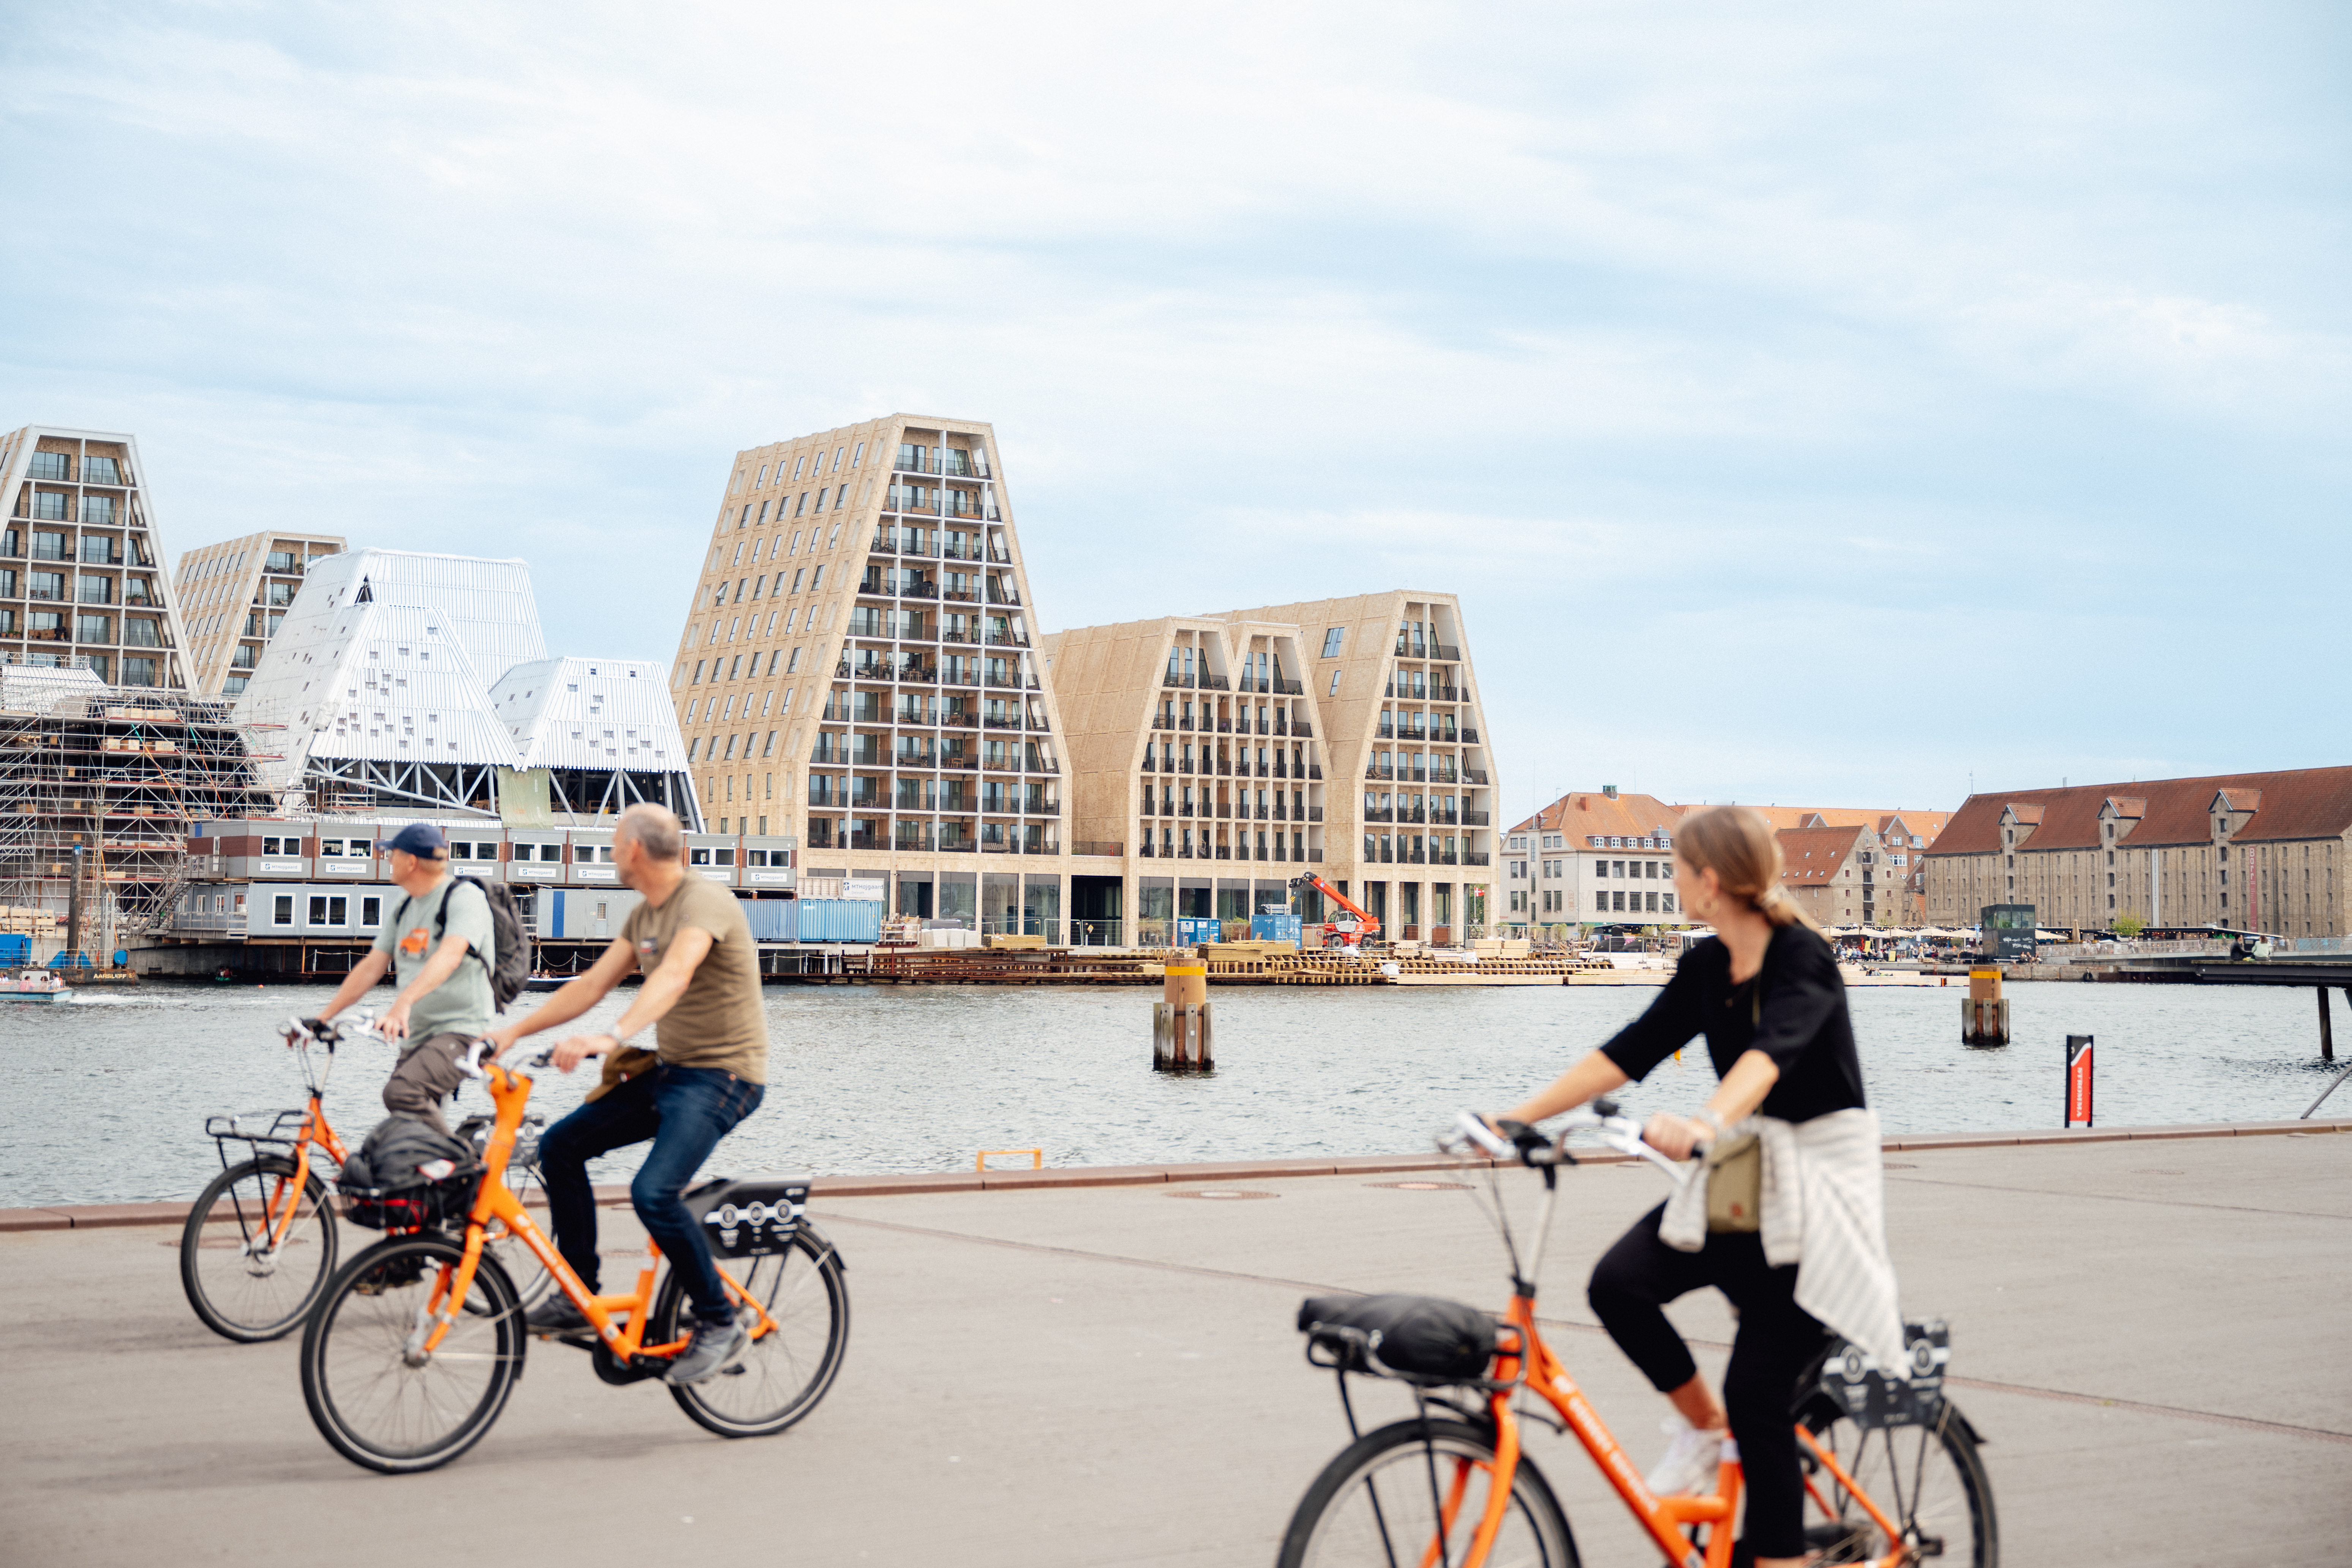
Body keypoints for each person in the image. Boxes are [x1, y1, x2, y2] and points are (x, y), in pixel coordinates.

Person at [1489, 805, 1904, 1568]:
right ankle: (1701, 1428)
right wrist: (1514, 1116)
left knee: (1758, 1394)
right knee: (1619, 1286)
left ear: (1709, 881)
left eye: (1677, 869)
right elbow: (1630, 1051)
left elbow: (1770, 1055)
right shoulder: (1708, 966)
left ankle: (1779, 1554)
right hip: (1748, 1179)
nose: (1672, 882)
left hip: (1815, 1197)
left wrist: (1707, 1120)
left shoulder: (1802, 956)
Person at [480, 803, 766, 1385]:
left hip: (724, 1076)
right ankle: (578, 1291)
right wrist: (512, 1033)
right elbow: (591, 984)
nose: (611, 853)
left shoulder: (704, 901)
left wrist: (612, 1036)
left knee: (653, 1194)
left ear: (635, 849)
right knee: (560, 1147)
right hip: (672, 1071)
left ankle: (720, 1320)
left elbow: (676, 974)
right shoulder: (645, 915)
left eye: (613, 843)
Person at [310, 822, 498, 1137]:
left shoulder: (465, 898)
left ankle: (463, 1161)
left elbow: (450, 956)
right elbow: (372, 967)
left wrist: (404, 1002)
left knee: (402, 1093)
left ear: (410, 862)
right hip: (418, 1037)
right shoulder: (405, 905)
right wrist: (323, 1018)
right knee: (405, 1131)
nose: (387, 860)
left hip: (463, 1032)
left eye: (392, 854)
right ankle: (439, 1166)